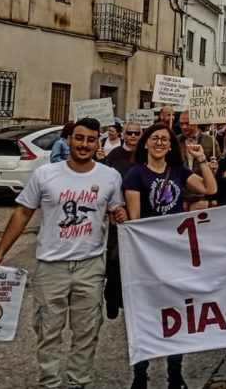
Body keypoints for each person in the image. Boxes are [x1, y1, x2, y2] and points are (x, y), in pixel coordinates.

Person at [0, 118, 126, 389]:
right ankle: (49, 381)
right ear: (69, 140)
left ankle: (78, 381)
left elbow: (117, 212)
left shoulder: (110, 177)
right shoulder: (45, 174)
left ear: (98, 143)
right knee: (48, 330)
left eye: (91, 139)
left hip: (90, 265)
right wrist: (0, 251)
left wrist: (119, 214)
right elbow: (23, 212)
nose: (84, 144)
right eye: (79, 138)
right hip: (51, 267)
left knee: (86, 330)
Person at [123, 122, 218, 389]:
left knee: (176, 312)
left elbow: (209, 189)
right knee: (145, 315)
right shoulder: (135, 174)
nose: (160, 143)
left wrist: (200, 159)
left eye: (164, 139)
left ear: (170, 145)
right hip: (148, 257)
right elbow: (135, 220)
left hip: (175, 255)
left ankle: (174, 373)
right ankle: (141, 375)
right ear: (146, 143)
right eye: (155, 138)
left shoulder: (179, 171)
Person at [101, 120, 143, 319]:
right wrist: (112, 207)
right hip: (117, 212)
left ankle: (129, 298)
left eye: (137, 133)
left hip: (140, 213)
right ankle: (112, 296)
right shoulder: (115, 155)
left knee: (135, 258)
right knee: (115, 257)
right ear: (123, 134)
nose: (133, 137)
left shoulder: (144, 155)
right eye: (130, 133)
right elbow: (105, 180)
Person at [178, 111, 221, 210]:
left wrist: (213, 167)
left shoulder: (211, 141)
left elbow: (218, 167)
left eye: (188, 123)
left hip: (202, 197)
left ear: (197, 122)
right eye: (181, 123)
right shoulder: (175, 141)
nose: (184, 127)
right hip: (181, 196)